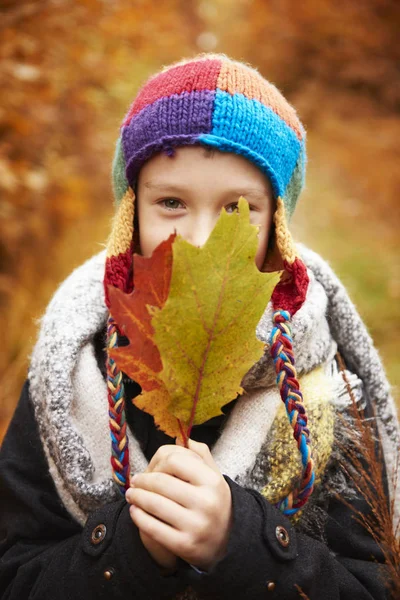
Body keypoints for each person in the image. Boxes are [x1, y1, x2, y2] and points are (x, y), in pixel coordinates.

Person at [0, 53, 398, 600]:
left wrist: (243, 543)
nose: (199, 239)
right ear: (130, 213)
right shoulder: (71, 370)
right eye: (170, 202)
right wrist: (129, 550)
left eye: (238, 208)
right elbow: (16, 574)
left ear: (277, 225)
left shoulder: (326, 389)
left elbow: (374, 583)